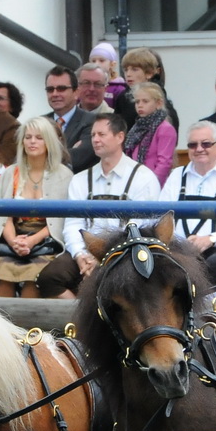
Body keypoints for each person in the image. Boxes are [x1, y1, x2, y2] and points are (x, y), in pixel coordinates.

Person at [37, 115, 161, 298]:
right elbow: (72, 224)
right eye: (93, 134)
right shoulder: (80, 179)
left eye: (102, 134)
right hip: (86, 251)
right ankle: (77, 317)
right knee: (48, 278)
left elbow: (140, 226)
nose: (95, 139)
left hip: (125, 254)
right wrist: (80, 255)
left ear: (120, 137)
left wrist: (103, 256)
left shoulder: (144, 177)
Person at [0, 116, 72, 296]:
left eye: (39, 137)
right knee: (3, 276)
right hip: (12, 239)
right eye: (28, 137)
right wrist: (14, 241)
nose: (32, 142)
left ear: (49, 141)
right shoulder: (10, 173)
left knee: (33, 282)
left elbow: (60, 221)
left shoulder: (63, 175)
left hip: (46, 242)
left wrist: (32, 241)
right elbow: (1, 215)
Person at [155, 120, 216, 285]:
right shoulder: (176, 176)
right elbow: (160, 218)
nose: (199, 149)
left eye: (206, 144)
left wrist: (211, 239)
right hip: (179, 249)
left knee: (215, 264)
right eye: (193, 145)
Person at [45, 65, 97, 173]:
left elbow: (78, 160)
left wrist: (42, 155)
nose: (55, 94)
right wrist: (69, 151)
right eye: (50, 89)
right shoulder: (40, 123)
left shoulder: (92, 122)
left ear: (76, 92)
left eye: (61, 89)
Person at [123, 82, 177, 184]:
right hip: (134, 180)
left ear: (158, 103)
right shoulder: (136, 128)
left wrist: (152, 185)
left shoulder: (165, 128)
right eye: (137, 102)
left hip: (153, 183)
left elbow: (164, 163)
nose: (140, 105)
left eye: (145, 101)